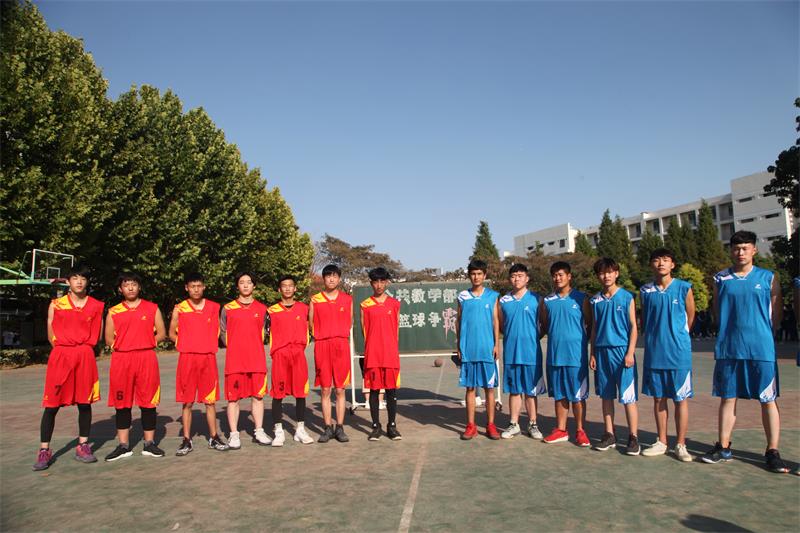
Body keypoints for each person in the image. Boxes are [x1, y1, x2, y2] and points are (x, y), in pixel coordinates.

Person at [701, 231, 788, 473]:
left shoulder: (768, 277)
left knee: (768, 399)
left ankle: (772, 451)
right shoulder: (720, 278)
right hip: (729, 348)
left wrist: (764, 334)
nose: (740, 252)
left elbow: (776, 314)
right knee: (728, 398)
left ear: (754, 250)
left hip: (761, 349)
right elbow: (717, 311)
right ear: (731, 251)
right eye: (736, 248)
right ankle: (723, 446)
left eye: (745, 248)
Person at [33, 265, 104, 471]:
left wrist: (81, 349)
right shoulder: (56, 304)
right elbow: (51, 334)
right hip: (61, 355)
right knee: (51, 405)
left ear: (87, 282)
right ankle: (44, 449)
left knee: (84, 403)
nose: (79, 282)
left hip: (85, 356)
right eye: (75, 278)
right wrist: (65, 350)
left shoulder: (96, 305)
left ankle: (83, 445)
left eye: (83, 278)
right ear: (68, 281)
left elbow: (97, 335)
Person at [638, 249, 695, 461]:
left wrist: (678, 336)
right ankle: (661, 441)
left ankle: (680, 444)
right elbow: (646, 318)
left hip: (678, 353)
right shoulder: (645, 291)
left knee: (680, 399)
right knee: (659, 398)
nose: (661, 263)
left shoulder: (684, 287)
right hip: (655, 353)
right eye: (656, 260)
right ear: (651, 265)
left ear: (672, 264)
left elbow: (690, 316)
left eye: (665, 260)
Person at [104, 273, 167, 461]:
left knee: (148, 402)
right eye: (126, 285)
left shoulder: (152, 308)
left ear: (139, 287)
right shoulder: (114, 311)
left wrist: (144, 343)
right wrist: (125, 347)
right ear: (120, 289)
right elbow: (108, 338)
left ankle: (149, 443)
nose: (130, 288)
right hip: (122, 360)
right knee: (122, 403)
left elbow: (162, 333)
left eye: (134, 284)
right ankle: (123, 446)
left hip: (146, 358)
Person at [169, 272, 228, 456]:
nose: (196, 289)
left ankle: (214, 437)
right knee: (187, 402)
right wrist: (185, 345)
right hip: (187, 359)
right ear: (187, 288)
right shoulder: (180, 308)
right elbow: (171, 333)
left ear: (204, 287)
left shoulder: (213, 307)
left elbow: (218, 331)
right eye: (192, 286)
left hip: (207, 359)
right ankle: (186, 440)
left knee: (210, 401)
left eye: (199, 286)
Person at [589, 258, 640, 455]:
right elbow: (594, 329)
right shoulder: (595, 301)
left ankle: (633, 437)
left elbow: (633, 326)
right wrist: (593, 353)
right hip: (602, 353)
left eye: (609, 272)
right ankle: (609, 434)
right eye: (602, 273)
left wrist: (630, 352)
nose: (606, 276)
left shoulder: (627, 297)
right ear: (598, 276)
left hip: (622, 352)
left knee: (628, 397)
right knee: (606, 396)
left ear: (616, 273)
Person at [541, 261, 591, 447]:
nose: (557, 278)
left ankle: (580, 431)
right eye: (554, 275)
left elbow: (590, 324)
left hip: (576, 357)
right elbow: (545, 325)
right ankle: (561, 430)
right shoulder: (547, 301)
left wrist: (579, 343)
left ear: (569, 276)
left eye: (561, 274)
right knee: (560, 395)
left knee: (577, 396)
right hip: (555, 356)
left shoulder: (581, 298)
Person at [220, 272, 270, 449]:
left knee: (258, 397)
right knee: (233, 399)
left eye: (249, 282)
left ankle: (259, 431)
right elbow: (223, 333)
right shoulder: (228, 308)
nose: (246, 285)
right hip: (235, 362)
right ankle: (234, 434)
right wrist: (235, 347)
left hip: (256, 360)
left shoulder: (262, 309)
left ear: (254, 285)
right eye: (242, 282)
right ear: (237, 286)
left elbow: (265, 332)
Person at [498, 264, 546, 439]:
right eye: (513, 276)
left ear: (527, 278)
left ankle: (533, 424)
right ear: (509, 279)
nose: (516, 279)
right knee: (514, 390)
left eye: (520, 275)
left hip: (531, 353)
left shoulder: (537, 299)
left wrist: (532, 338)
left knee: (530, 391)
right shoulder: (503, 301)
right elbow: (501, 325)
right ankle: (514, 424)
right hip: (511, 352)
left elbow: (544, 324)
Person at [457, 259, 501, 440]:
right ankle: (471, 426)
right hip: (468, 349)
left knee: (489, 388)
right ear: (469, 276)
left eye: (479, 274)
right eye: (473, 274)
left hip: (486, 349)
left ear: (485, 275)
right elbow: (459, 321)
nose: (476, 277)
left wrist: (496, 344)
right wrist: (459, 344)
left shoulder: (492, 296)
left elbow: (495, 321)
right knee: (470, 388)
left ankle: (490, 425)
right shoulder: (462, 297)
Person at [267, 275, 313, 446]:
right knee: (277, 393)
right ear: (279, 289)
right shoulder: (271, 311)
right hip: (280, 355)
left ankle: (300, 429)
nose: (287, 288)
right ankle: (278, 431)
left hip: (298, 354)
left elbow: (312, 327)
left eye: (290, 285)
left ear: (295, 288)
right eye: (284, 286)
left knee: (300, 392)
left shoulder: (304, 309)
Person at [310, 264, 352, 443]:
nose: (331, 279)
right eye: (328, 276)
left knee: (340, 389)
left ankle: (340, 427)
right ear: (324, 279)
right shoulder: (315, 299)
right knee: (325, 389)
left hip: (341, 345)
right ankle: (327, 427)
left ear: (339, 279)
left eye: (334, 276)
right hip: (322, 345)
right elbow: (311, 324)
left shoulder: (347, 299)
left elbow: (350, 322)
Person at [360, 267, 402, 441]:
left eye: (382, 281)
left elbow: (396, 330)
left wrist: (391, 348)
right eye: (375, 282)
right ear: (371, 283)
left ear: (387, 283)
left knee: (391, 391)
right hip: (373, 355)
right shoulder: (365, 305)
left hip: (390, 354)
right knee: (374, 391)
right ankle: (375, 426)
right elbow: (364, 331)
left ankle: (392, 426)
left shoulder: (394, 304)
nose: (379, 285)